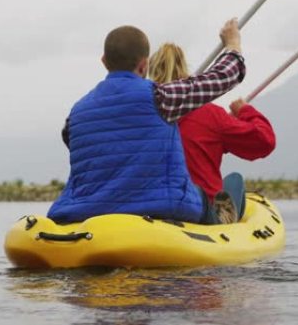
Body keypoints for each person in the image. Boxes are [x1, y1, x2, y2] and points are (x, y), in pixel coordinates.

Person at [47, 19, 246, 224]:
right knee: (232, 184)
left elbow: (71, 140)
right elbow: (225, 76)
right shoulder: (162, 97)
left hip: (86, 212)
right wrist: (233, 44)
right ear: (144, 65)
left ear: (104, 61)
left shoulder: (76, 113)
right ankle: (224, 219)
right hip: (164, 210)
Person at [149, 43, 276, 221]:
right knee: (235, 180)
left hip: (157, 208)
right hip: (203, 211)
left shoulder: (143, 113)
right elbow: (264, 141)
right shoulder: (212, 115)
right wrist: (245, 111)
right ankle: (225, 221)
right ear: (185, 69)